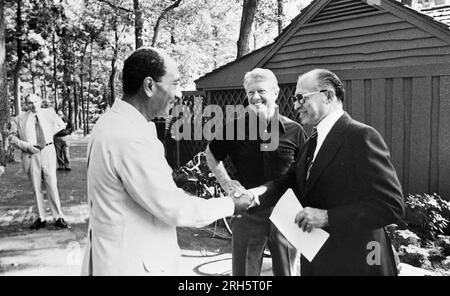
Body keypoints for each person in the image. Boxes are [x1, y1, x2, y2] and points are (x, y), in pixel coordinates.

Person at [81, 47, 252, 276]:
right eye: (174, 83)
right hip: (133, 265)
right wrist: (232, 204)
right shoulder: (130, 137)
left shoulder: (110, 123)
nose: (179, 93)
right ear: (150, 86)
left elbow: (151, 194)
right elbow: (175, 209)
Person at [243, 69, 405, 276]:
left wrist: (328, 217)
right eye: (294, 99)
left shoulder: (361, 136)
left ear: (328, 96)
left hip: (359, 264)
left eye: (301, 98)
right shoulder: (311, 141)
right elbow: (288, 182)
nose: (295, 105)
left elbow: (392, 205)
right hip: (318, 260)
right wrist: (254, 196)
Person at [205, 68, 307, 276]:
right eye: (250, 92)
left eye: (261, 91)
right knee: (244, 274)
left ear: (275, 93)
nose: (255, 97)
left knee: (288, 272)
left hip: (286, 211)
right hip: (248, 210)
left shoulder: (295, 130)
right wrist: (226, 183)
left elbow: (305, 171)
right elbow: (211, 153)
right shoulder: (234, 128)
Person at [9, 94, 68, 230]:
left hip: (48, 150)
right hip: (31, 154)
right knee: (36, 187)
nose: (33, 105)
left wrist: (48, 136)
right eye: (30, 103)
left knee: (52, 184)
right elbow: (12, 137)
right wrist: (27, 146)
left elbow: (60, 125)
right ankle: (40, 218)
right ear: (26, 105)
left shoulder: (50, 113)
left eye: (35, 102)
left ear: (40, 101)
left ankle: (58, 216)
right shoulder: (19, 119)